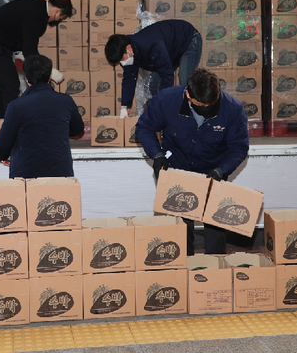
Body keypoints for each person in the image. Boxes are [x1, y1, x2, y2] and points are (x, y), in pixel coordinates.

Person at [135, 68, 249, 256]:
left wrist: (222, 170)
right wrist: (157, 155)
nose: (205, 108)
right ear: (188, 94)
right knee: (179, 227)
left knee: (215, 228)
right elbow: (144, 128)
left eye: (210, 105)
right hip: (175, 169)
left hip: (212, 171)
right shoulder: (167, 100)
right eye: (199, 105)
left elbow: (239, 147)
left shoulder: (233, 109)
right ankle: (183, 266)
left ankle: (215, 269)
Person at [0, 0, 74, 119]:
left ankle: (3, 125)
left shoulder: (36, 7)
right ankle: (8, 128)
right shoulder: (36, 16)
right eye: (62, 18)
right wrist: (49, 72)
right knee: (11, 87)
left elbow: (20, 36)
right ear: (58, 11)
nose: (59, 20)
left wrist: (19, 53)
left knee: (7, 86)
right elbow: (30, 50)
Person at [0, 54, 84, 179]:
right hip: (61, 174)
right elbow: (78, 129)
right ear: (49, 77)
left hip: (26, 175)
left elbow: (3, 145)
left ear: (27, 79)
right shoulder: (66, 101)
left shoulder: (16, 106)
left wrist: (3, 156)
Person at [105, 19, 202, 117]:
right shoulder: (129, 50)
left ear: (129, 48)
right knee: (154, 86)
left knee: (184, 80)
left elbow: (167, 75)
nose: (122, 62)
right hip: (170, 49)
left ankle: (188, 117)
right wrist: (124, 107)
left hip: (189, 40)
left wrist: (163, 102)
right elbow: (129, 78)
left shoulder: (153, 46)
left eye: (122, 59)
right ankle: (155, 116)